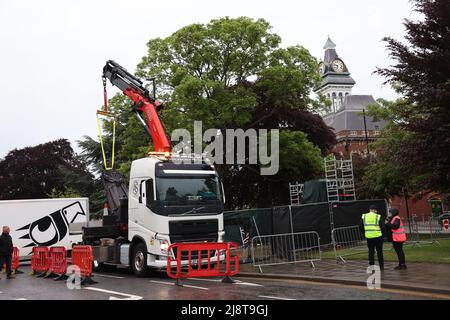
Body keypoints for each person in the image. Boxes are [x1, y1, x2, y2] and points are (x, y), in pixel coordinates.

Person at [360, 205, 385, 271]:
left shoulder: (364, 216)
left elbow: (360, 226)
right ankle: (381, 266)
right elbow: (382, 226)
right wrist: (382, 234)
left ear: (370, 209)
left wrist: (365, 232)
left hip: (369, 237)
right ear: (374, 210)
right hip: (378, 236)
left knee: (371, 252)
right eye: (376, 210)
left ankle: (371, 266)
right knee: (379, 251)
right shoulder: (378, 216)